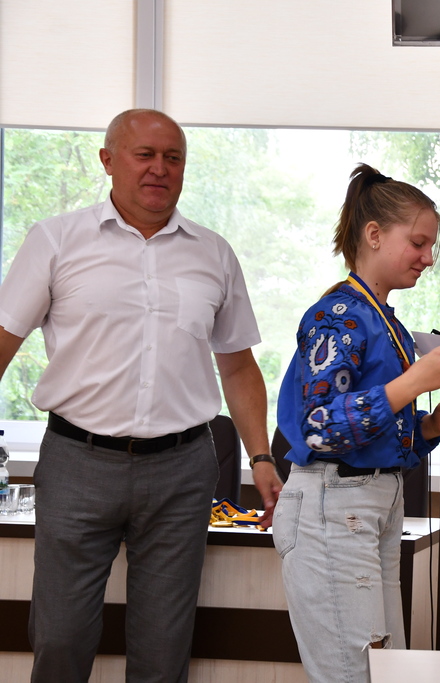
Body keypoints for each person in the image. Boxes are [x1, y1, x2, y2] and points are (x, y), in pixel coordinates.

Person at [0, 108, 282, 682]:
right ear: (108, 160)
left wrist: (260, 457)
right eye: (145, 155)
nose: (160, 168)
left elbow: (238, 367)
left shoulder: (214, 253)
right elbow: (4, 340)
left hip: (182, 470)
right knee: (59, 636)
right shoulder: (56, 239)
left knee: (163, 649)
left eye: (173, 157)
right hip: (77, 462)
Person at [274, 163, 440, 683]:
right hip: (332, 504)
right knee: (354, 672)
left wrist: (432, 427)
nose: (428, 258)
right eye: (418, 243)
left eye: (431, 246)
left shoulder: (388, 323)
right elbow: (319, 427)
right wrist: (414, 384)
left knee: (382, 668)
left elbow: (379, 435)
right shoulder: (336, 317)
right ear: (375, 234)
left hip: (372, 504)